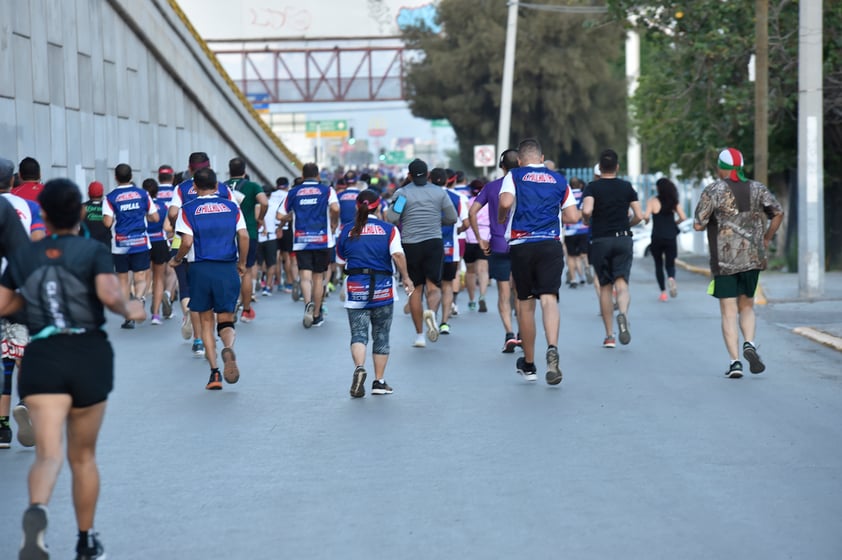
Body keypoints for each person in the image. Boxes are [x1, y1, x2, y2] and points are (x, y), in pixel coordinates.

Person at [0, 178, 145, 560]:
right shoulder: (93, 251)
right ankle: (85, 541)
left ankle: (37, 511)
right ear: (80, 213)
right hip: (87, 355)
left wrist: (31, 302)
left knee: (47, 453)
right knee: (82, 457)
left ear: (43, 214)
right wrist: (131, 308)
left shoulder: (23, 259)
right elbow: (110, 296)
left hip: (41, 357)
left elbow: (3, 304)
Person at [693, 147, 784, 379]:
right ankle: (750, 344)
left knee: (728, 311)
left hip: (724, 262)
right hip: (753, 258)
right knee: (747, 307)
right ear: (741, 167)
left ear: (721, 168)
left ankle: (735, 363)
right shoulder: (758, 188)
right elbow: (778, 213)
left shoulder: (713, 190)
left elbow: (697, 224)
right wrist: (766, 237)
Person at [499, 138, 580, 385]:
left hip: (522, 245)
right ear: (542, 159)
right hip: (550, 243)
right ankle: (552, 346)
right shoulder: (558, 179)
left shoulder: (515, 175)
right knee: (549, 298)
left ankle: (530, 363)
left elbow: (505, 202)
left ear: (521, 160)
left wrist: (503, 216)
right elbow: (573, 216)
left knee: (525, 304)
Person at [171, 167, 249, 390]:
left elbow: (186, 243)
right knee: (225, 319)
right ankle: (228, 346)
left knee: (206, 320)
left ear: (194, 187)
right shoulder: (232, 207)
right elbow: (243, 235)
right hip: (226, 267)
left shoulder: (187, 209)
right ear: (217, 186)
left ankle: (214, 373)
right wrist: (242, 263)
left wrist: (177, 259)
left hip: (200, 269)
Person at [336, 189, 413, 397]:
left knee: (359, 334)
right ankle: (378, 382)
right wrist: (406, 277)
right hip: (383, 290)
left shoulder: (347, 230)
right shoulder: (389, 229)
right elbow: (397, 254)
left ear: (356, 207)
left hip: (356, 289)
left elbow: (341, 260)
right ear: (379, 206)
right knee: (381, 336)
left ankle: (359, 368)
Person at [167, 152, 234, 356]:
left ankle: (198, 338)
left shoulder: (182, 188)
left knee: (190, 293)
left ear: (189, 168)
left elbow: (171, 213)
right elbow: (234, 211)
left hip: (186, 245)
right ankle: (220, 342)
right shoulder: (222, 188)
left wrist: (178, 226)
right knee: (217, 299)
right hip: (219, 249)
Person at [385, 159, 458, 347]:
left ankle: (419, 336)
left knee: (415, 290)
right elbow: (452, 217)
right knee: (433, 286)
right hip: (434, 242)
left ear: (409, 175)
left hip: (411, 244)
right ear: (427, 175)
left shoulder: (403, 194)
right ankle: (432, 313)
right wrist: (436, 222)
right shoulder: (439, 192)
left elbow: (392, 217)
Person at [582, 149, 644, 348]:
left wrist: (586, 220)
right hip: (623, 238)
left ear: (600, 168)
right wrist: (628, 224)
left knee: (606, 287)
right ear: (617, 167)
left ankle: (609, 336)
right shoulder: (626, 187)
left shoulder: (592, 187)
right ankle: (623, 314)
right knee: (622, 283)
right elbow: (639, 215)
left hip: (601, 240)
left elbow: (587, 210)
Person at [277, 163, 339, 328]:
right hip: (322, 240)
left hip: (301, 240)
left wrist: (291, 216)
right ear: (318, 176)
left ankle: (307, 305)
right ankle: (317, 314)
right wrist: (333, 221)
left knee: (305, 277)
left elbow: (279, 214)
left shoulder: (293, 192)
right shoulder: (327, 190)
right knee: (318, 278)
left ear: (303, 176)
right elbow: (335, 208)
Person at [470, 149, 520, 352]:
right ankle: (522, 333)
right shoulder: (525, 185)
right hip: (521, 244)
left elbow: (472, 212)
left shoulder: (491, 187)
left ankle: (509, 333)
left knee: (503, 291)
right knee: (521, 291)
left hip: (498, 244)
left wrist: (481, 239)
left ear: (502, 166)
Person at [102, 163, 159, 329]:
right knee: (140, 276)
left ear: (115, 178)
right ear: (131, 176)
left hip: (120, 244)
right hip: (140, 242)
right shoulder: (143, 194)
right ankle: (139, 298)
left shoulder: (110, 197)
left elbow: (107, 222)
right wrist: (142, 218)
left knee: (122, 279)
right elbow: (155, 217)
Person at [225, 157, 269, 322]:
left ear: (229, 171)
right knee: (247, 271)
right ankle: (246, 310)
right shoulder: (252, 186)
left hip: (226, 235)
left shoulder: (222, 186)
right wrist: (260, 218)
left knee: (228, 271)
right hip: (248, 232)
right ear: (244, 171)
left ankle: (229, 306)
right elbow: (264, 203)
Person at [643, 178, 687, 301]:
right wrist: (675, 223)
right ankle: (671, 279)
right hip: (670, 236)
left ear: (658, 188)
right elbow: (683, 217)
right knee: (670, 263)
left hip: (657, 236)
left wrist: (646, 221)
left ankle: (663, 292)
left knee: (658, 264)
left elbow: (646, 216)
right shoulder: (674, 201)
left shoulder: (652, 201)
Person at [142, 178, 171, 324]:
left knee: (143, 277)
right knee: (159, 278)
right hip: (160, 241)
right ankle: (155, 314)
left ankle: (140, 301)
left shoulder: (140, 206)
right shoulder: (164, 206)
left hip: (143, 243)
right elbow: (168, 226)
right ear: (157, 192)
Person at [463, 179, 490, 312]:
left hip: (469, 238)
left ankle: (472, 300)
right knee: (483, 270)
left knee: (470, 272)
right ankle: (482, 296)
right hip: (485, 238)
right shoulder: (489, 203)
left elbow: (465, 221)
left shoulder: (468, 203)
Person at [563, 177, 592, 287]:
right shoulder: (584, 196)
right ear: (580, 185)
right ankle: (586, 266)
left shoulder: (566, 196)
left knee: (571, 256)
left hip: (570, 231)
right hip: (583, 229)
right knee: (583, 253)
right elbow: (587, 211)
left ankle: (574, 279)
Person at [82, 182, 112, 247]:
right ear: (102, 194)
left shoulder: (82, 208)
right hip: (105, 247)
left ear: (88, 194)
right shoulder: (108, 207)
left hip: (87, 246)